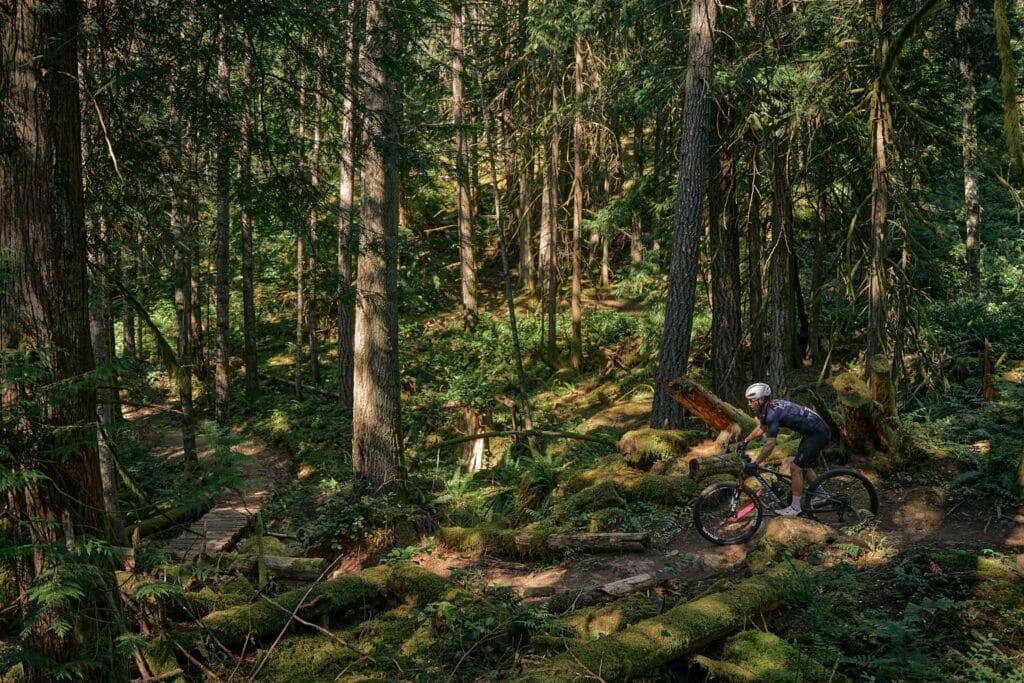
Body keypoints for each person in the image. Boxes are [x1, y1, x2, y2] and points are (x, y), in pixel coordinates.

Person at [737, 382, 831, 517]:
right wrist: (745, 441)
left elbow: (770, 444)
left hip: (817, 433)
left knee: (796, 467)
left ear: (761, 400)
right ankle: (822, 495)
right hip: (813, 432)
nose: (749, 404)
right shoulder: (769, 408)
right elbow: (761, 428)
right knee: (802, 464)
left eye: (751, 401)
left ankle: (795, 508)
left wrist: (756, 463)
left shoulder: (772, 413)